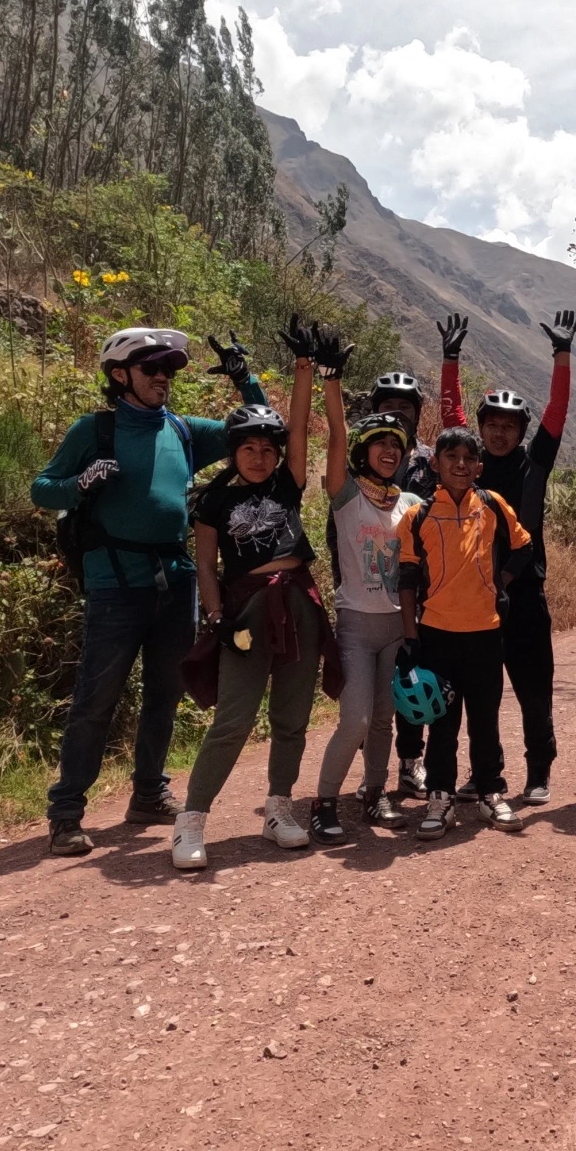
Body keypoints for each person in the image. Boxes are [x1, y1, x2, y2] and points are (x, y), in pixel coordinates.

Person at [31, 326, 269, 856]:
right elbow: (41, 489)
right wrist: (81, 482)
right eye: (152, 369)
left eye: (169, 370)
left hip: (176, 579)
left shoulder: (182, 429)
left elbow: (260, 431)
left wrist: (243, 378)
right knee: (97, 698)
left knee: (165, 693)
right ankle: (66, 813)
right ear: (121, 375)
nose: (164, 378)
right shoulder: (93, 431)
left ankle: (147, 793)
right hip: (115, 583)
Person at [169, 322, 345, 869]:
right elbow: (204, 563)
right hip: (245, 609)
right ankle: (191, 821)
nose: (260, 457)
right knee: (234, 720)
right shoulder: (212, 500)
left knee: (292, 716)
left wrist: (303, 370)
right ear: (234, 451)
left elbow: (298, 429)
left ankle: (278, 809)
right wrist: (216, 614)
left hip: (299, 601)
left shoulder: (286, 482)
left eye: (267, 449)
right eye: (248, 448)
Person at [436, 308, 576, 805]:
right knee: (481, 695)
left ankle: (539, 771)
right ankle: (483, 773)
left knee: (534, 690)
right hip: (472, 602)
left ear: (520, 431)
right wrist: (450, 358)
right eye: (491, 425)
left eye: (508, 426)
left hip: (525, 596)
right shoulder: (465, 465)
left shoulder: (535, 463)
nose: (498, 433)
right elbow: (450, 415)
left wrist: (563, 354)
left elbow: (558, 411)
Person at [396, 426, 533, 840]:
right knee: (441, 722)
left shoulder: (491, 505)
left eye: (468, 458)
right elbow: (406, 581)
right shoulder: (417, 515)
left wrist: (500, 584)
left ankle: (492, 791)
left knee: (485, 719)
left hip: (485, 634)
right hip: (436, 635)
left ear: (479, 466)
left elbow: (524, 547)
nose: (460, 464)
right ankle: (441, 797)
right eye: (450, 456)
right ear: (435, 462)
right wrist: (410, 638)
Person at [314, 383, 422, 831]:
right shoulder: (347, 497)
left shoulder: (413, 505)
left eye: (396, 445)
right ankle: (323, 805)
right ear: (363, 451)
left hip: (398, 626)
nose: (389, 451)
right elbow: (336, 435)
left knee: (382, 722)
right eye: (379, 442)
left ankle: (375, 796)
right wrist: (331, 381)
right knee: (355, 720)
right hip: (357, 626)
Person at [367, 369, 437, 799]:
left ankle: (411, 764)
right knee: (372, 690)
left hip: (419, 591)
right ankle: (372, 770)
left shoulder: (430, 463)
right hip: (368, 591)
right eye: (388, 407)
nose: (397, 415)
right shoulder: (360, 460)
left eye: (405, 409)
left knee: (411, 679)